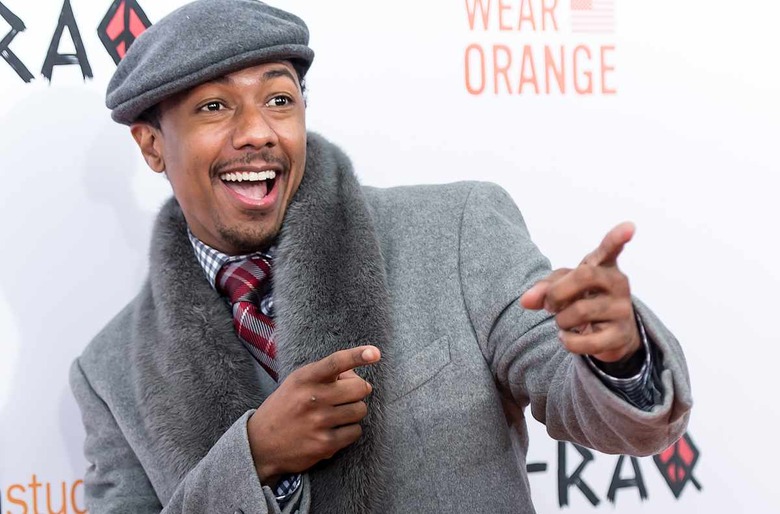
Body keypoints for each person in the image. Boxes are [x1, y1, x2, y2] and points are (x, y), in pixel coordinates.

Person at [69, 0, 692, 512]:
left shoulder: (457, 231)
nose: (257, 131)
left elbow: (594, 406)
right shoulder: (107, 375)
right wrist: (255, 459)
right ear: (152, 145)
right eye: (214, 106)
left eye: (279, 99)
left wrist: (618, 358)